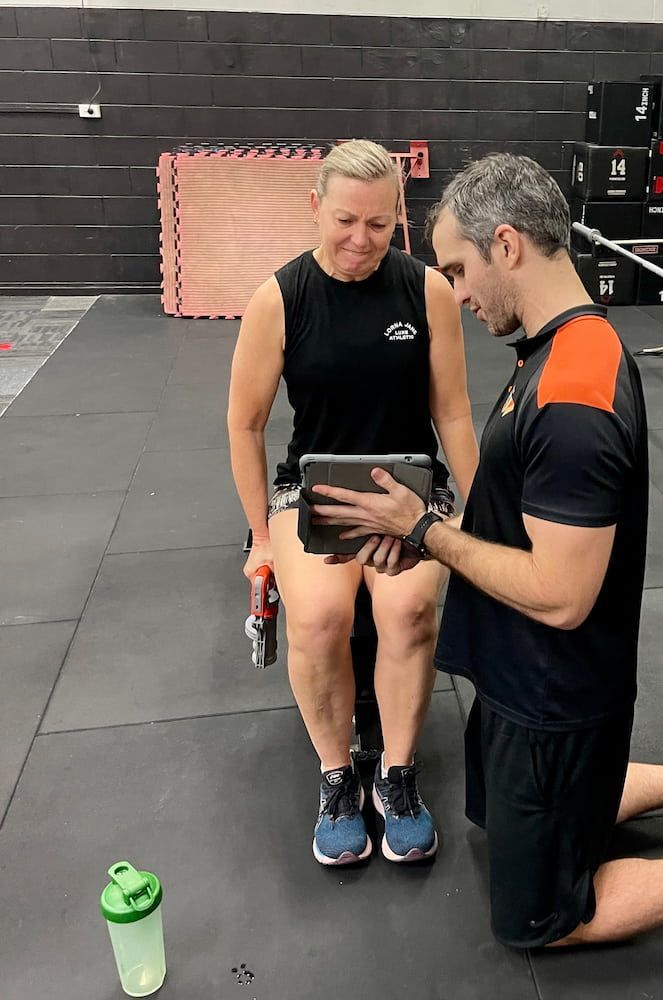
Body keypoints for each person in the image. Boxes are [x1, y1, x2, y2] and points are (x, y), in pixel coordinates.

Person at [308, 153, 663, 946]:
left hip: (552, 699)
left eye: (461, 270)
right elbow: (515, 527)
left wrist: (427, 530)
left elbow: (563, 596)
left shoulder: (571, 390)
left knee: (540, 921)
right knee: (503, 815)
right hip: (518, 677)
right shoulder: (556, 346)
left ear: (507, 245)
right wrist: (423, 544)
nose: (457, 295)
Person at [227, 140, 478, 868]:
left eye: (377, 224)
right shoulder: (280, 298)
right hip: (315, 492)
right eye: (344, 220)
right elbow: (244, 424)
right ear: (314, 209)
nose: (359, 241)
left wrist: (483, 512)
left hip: (408, 488)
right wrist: (261, 538)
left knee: (406, 610)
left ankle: (396, 777)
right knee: (319, 615)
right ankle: (338, 778)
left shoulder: (426, 291)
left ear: (397, 219)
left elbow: (454, 413)